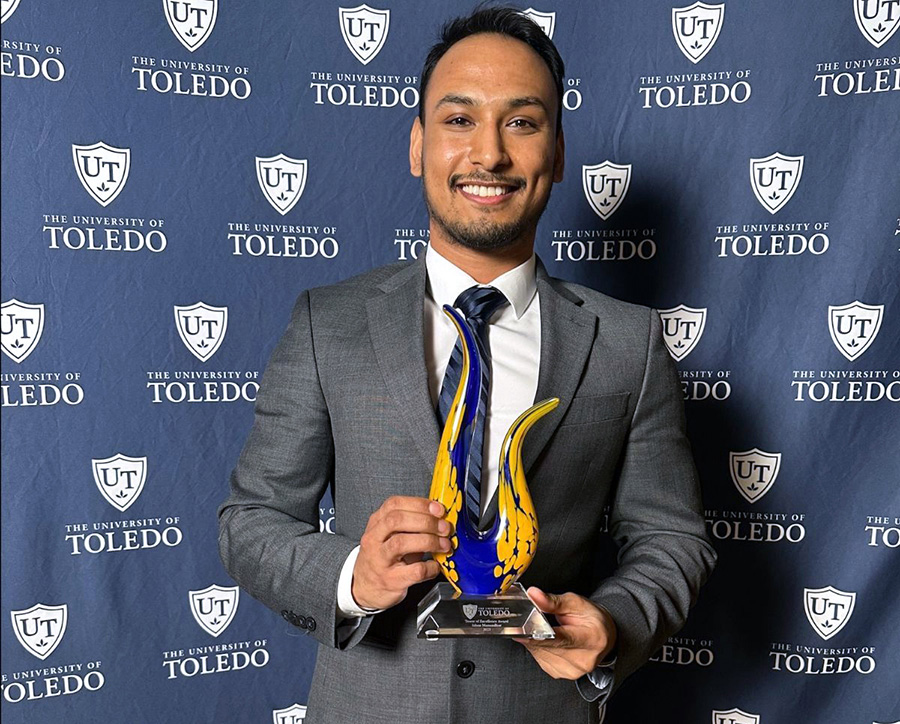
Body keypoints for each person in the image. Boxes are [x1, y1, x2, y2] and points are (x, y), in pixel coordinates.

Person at [218, 7, 716, 723]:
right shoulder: (327, 324)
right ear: (418, 144)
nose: (489, 154)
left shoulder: (627, 344)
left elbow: (672, 540)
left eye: (522, 122)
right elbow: (252, 522)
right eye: (459, 120)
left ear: (559, 150)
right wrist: (353, 575)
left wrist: (611, 624)